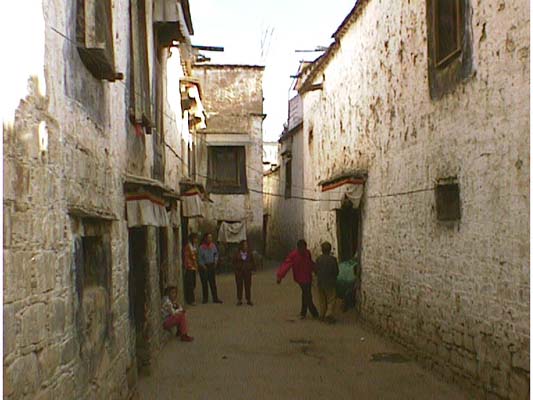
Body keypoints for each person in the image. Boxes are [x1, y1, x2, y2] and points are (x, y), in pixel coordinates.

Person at [276, 239, 319, 319]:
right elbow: (286, 266)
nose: (303, 250)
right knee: (307, 295)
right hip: (300, 278)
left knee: (305, 294)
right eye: (302, 248)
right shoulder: (294, 255)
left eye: (304, 248)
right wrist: (280, 276)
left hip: (308, 277)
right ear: (298, 248)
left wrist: (315, 270)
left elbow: (310, 263)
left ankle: (303, 312)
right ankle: (314, 313)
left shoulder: (307, 253)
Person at [314, 241, 339, 324]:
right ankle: (329, 315)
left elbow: (316, 271)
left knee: (322, 300)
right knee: (331, 299)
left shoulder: (318, 259)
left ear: (322, 250)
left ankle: (322, 315)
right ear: (330, 250)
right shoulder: (333, 260)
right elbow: (336, 271)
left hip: (321, 282)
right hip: (330, 282)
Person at [198, 233, 223, 304]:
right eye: (208, 237)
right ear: (205, 238)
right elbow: (200, 258)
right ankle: (205, 298)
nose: (210, 239)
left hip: (211, 265)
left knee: (213, 282)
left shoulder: (213, 246)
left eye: (211, 237)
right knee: (204, 283)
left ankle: (215, 298)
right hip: (204, 266)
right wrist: (203, 265)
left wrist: (215, 261)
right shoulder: (201, 247)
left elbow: (216, 254)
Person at [233, 239, 256, 306]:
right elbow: (234, 262)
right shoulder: (237, 253)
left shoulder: (249, 253)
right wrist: (236, 269)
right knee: (239, 286)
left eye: (246, 245)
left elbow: (252, 261)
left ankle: (248, 299)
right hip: (239, 272)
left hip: (247, 272)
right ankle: (239, 299)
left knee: (248, 286)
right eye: (245, 245)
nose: (246, 246)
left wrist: (252, 268)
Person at [183, 233, 199, 305]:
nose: (196, 240)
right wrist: (188, 265)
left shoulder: (194, 246)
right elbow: (187, 257)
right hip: (189, 267)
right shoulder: (188, 246)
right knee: (190, 284)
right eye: (195, 238)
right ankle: (190, 300)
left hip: (193, 267)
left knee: (193, 284)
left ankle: (190, 298)